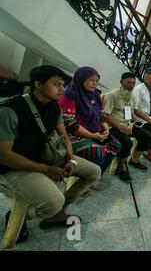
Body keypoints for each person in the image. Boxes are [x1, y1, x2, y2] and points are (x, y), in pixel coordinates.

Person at [0, 65, 101, 243]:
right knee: (53, 202)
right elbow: (5, 156)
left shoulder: (54, 106)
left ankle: (57, 213)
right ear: (38, 84)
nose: (62, 89)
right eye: (57, 84)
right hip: (13, 167)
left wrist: (70, 158)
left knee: (94, 172)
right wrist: (46, 169)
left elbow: (64, 136)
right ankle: (21, 215)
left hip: (47, 156)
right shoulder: (11, 110)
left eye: (63, 84)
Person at [58, 67, 121, 195]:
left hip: (94, 133)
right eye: (91, 80)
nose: (94, 83)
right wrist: (93, 135)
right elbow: (69, 123)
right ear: (81, 79)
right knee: (97, 152)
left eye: (96, 81)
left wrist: (105, 129)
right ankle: (81, 182)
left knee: (115, 145)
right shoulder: (70, 94)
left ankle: (94, 177)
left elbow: (102, 114)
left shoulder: (95, 95)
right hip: (72, 136)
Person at [102, 72, 151, 182]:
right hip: (112, 127)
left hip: (127, 125)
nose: (131, 85)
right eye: (128, 82)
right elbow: (105, 115)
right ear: (121, 82)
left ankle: (135, 160)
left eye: (133, 83)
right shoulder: (112, 95)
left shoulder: (130, 95)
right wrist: (120, 127)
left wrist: (136, 123)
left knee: (147, 136)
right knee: (127, 142)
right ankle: (120, 167)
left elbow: (130, 113)